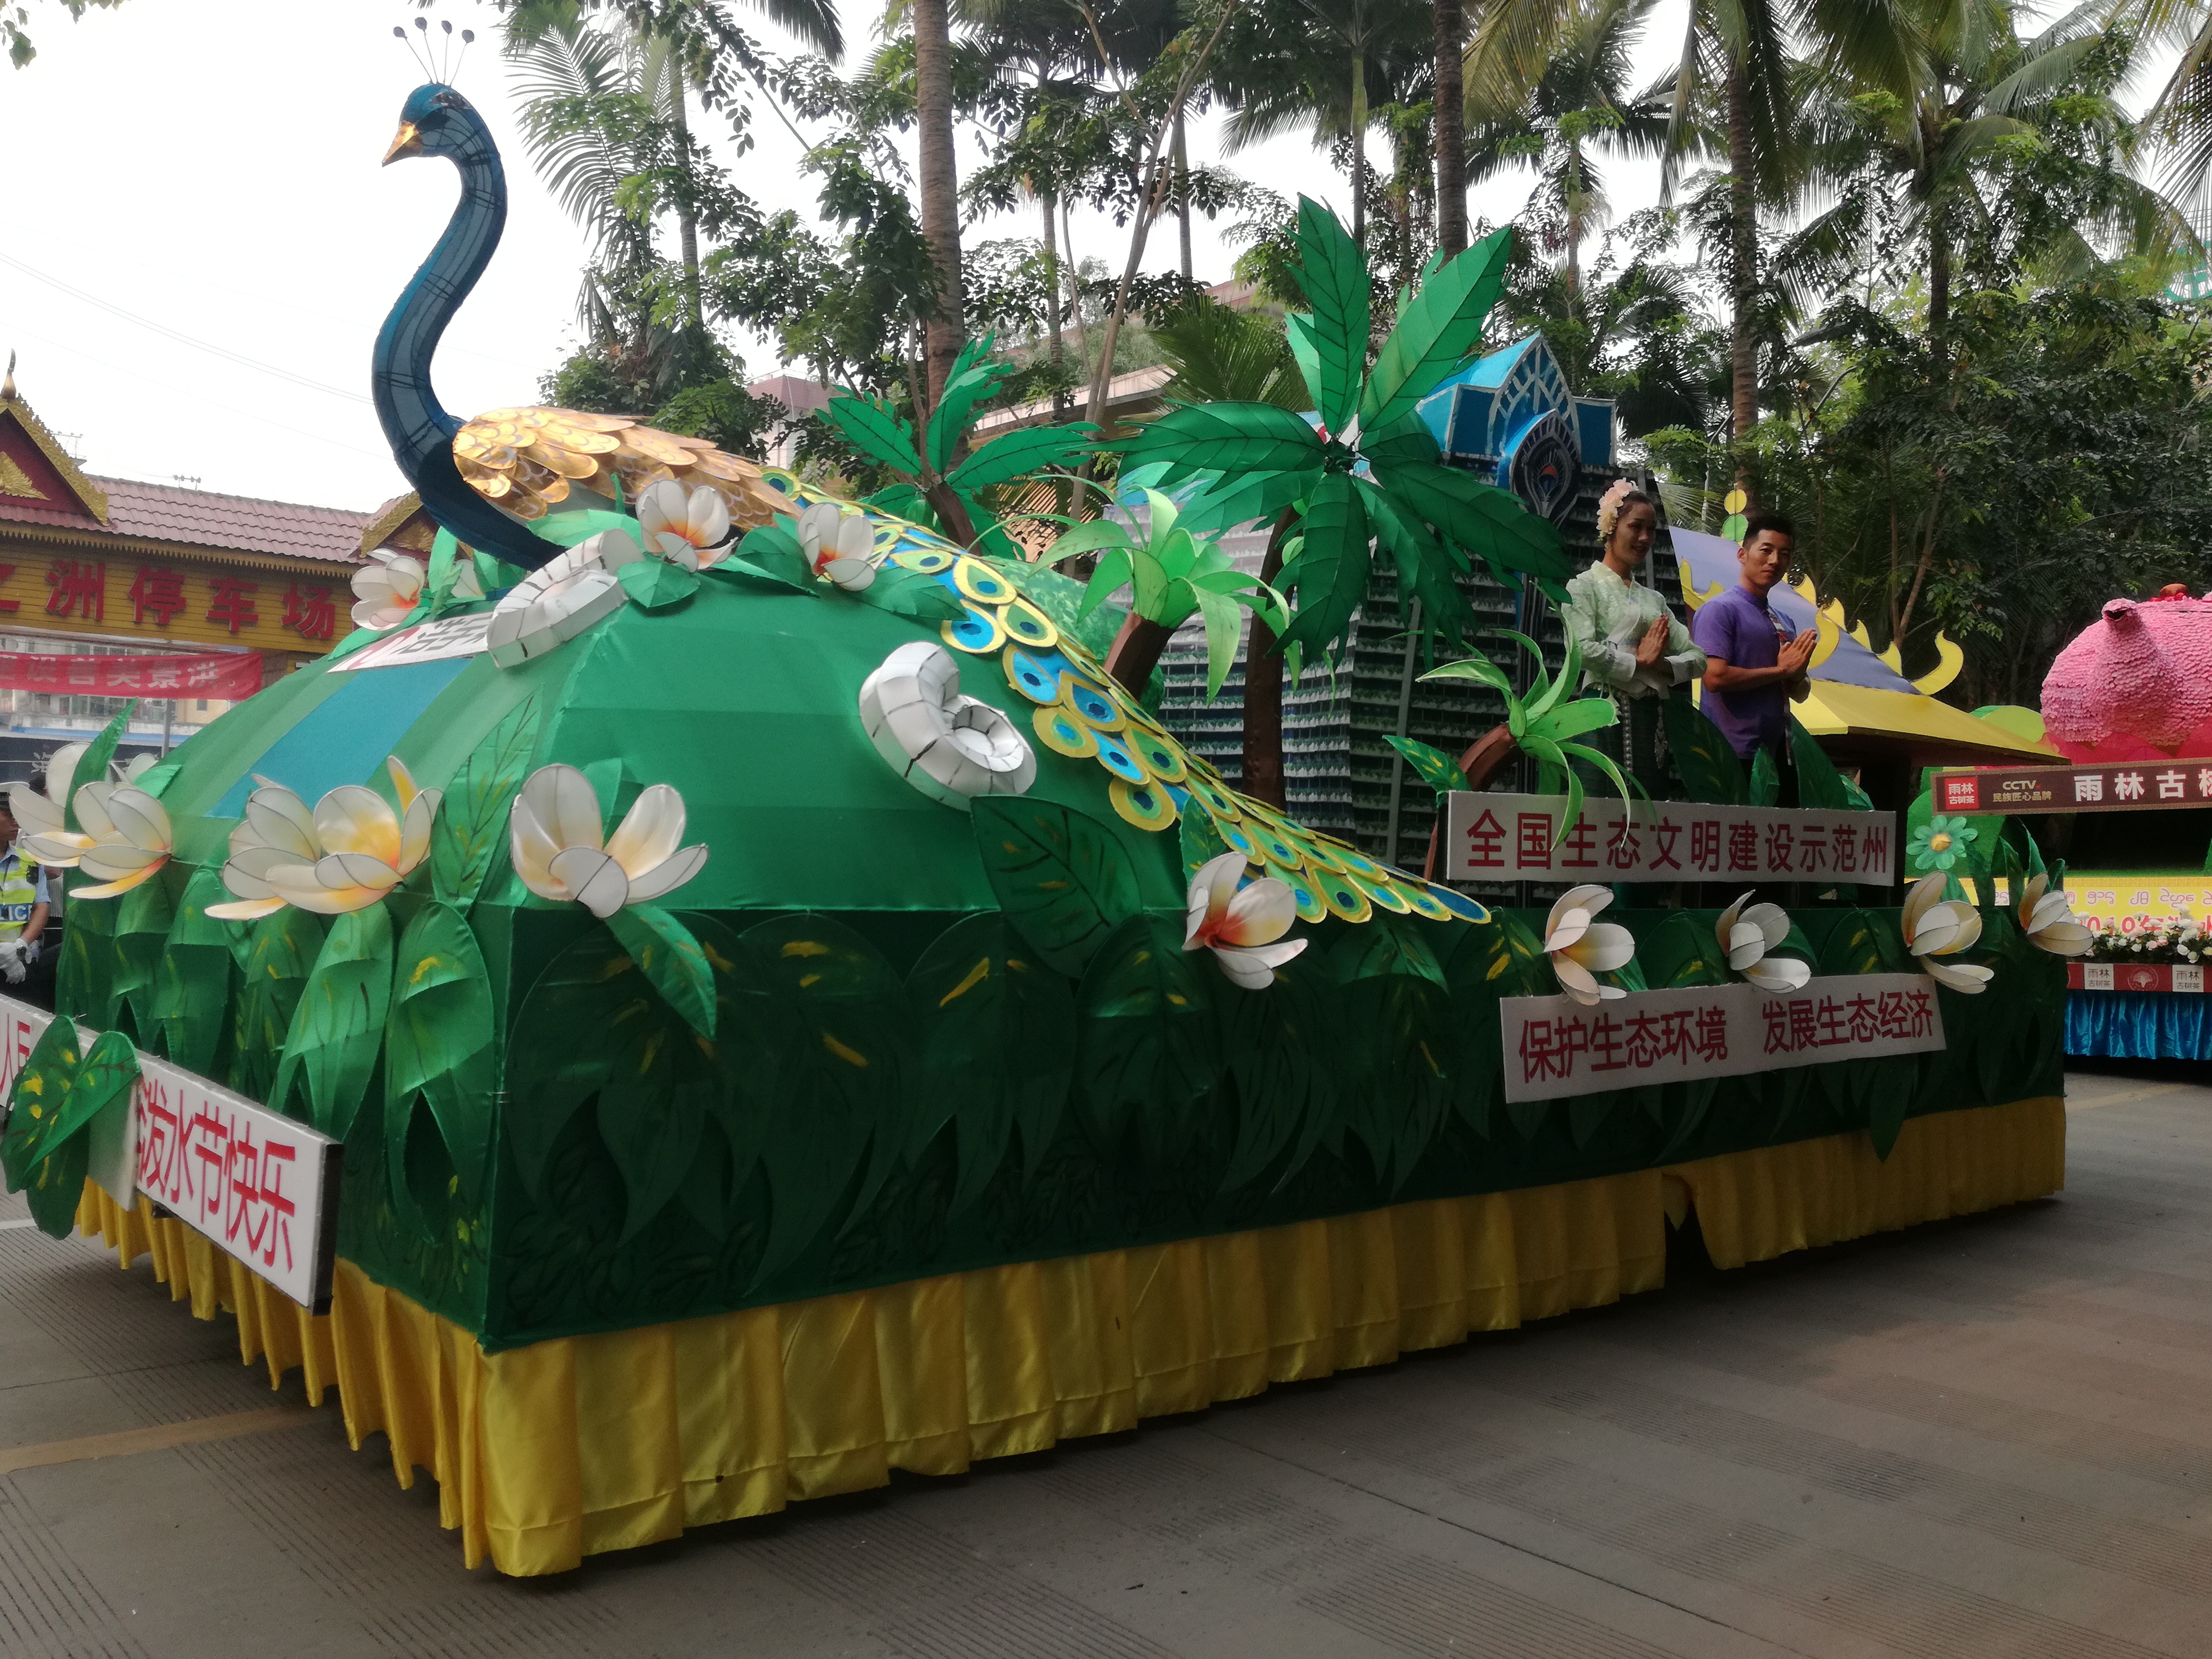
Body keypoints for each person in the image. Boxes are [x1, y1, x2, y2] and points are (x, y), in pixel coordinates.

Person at [1561, 480, 1706, 792]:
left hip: (1650, 716)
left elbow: (1699, 660)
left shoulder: (1654, 600)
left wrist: (1660, 665)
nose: (1645, 538)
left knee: (1647, 807)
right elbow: (1580, 650)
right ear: (1612, 527)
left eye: (1651, 530)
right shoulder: (1582, 587)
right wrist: (1638, 661)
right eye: (1636, 526)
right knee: (1598, 806)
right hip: (1601, 709)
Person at [1689, 510, 1816, 795]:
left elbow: (1799, 692)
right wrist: (1781, 671)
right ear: (1742, 555)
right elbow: (1714, 679)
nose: (1775, 561)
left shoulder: (1784, 621)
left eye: (1784, 554)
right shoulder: (1720, 610)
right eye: (1766, 550)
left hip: (1779, 755)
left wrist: (1795, 675)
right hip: (1730, 756)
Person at [0, 790, 53, 1007]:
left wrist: (22, 944)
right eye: (9, 814)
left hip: (20, 962)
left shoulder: (30, 860)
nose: (16, 821)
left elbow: (42, 906)